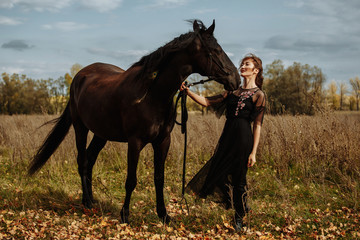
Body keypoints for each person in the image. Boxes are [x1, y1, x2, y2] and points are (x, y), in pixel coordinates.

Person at [180, 53, 266, 231]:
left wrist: (254, 152)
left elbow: (257, 125)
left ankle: (239, 218)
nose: (242, 66)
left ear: (255, 70)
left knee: (239, 180)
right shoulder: (232, 93)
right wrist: (188, 92)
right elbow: (206, 102)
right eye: (242, 64)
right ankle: (240, 203)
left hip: (244, 139)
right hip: (227, 138)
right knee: (216, 174)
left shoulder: (259, 95)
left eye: (247, 64)